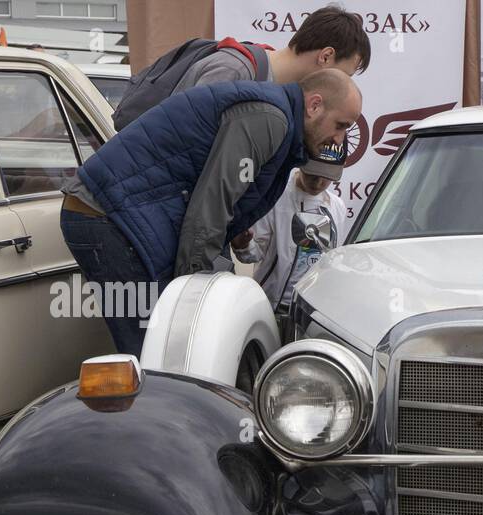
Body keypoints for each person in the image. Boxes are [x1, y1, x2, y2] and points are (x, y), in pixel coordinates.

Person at [58, 69, 362, 354]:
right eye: (341, 125)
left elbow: (216, 209)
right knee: (155, 350)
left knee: (160, 348)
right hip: (108, 217)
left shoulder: (276, 120)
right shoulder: (270, 119)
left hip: (116, 216)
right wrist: (192, 300)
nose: (339, 139)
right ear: (314, 105)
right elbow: (212, 206)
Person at [230, 165, 348, 317]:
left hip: (314, 311)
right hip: (270, 307)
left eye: (326, 176)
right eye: (313, 174)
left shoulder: (337, 207)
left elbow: (333, 259)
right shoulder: (275, 197)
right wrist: (242, 244)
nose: (318, 182)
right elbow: (253, 253)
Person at [172, 4, 368, 94]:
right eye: (345, 75)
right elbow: (184, 142)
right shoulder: (234, 70)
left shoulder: (275, 87)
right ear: (326, 56)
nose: (344, 84)